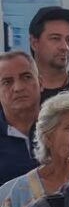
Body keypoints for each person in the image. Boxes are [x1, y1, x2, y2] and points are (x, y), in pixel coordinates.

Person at [0, 50, 42, 186]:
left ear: (41, 83)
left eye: (26, 77)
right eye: (7, 82)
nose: (18, 88)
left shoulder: (61, 127)